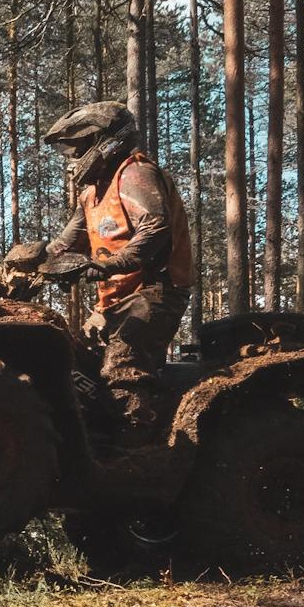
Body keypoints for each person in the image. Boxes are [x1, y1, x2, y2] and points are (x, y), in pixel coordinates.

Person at [41, 101, 195, 445]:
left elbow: (155, 229)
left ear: (105, 140)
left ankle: (139, 449)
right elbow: (66, 243)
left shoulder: (135, 173)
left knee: (124, 360)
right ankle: (96, 441)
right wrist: (27, 263)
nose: (73, 157)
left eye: (78, 146)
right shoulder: (92, 193)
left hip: (156, 290)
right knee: (77, 364)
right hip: (115, 300)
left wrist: (108, 264)